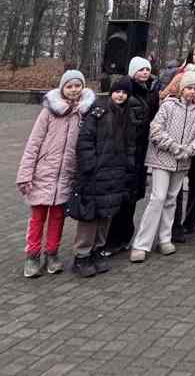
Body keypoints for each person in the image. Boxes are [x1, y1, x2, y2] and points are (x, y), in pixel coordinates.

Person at [16, 69, 95, 277]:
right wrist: (25, 174)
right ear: (62, 88)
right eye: (69, 86)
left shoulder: (84, 113)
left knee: (58, 218)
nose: (73, 90)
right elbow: (33, 144)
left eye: (77, 85)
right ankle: (32, 256)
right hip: (43, 173)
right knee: (37, 218)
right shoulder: (48, 112)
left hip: (66, 175)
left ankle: (52, 253)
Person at [130, 69, 195, 262]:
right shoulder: (168, 106)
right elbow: (155, 130)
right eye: (189, 87)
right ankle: (142, 244)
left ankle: (165, 239)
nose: (192, 91)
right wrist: (173, 146)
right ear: (182, 88)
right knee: (158, 199)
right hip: (162, 160)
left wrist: (190, 150)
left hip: (182, 162)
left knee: (171, 200)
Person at [67, 77, 136, 277]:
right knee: (90, 216)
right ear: (111, 92)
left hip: (115, 174)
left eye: (124, 93)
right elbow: (85, 140)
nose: (120, 95)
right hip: (96, 173)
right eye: (117, 91)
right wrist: (90, 166)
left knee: (106, 215)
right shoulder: (98, 111)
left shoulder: (127, 115)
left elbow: (130, 145)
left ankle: (97, 250)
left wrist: (128, 168)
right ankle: (82, 255)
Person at [102, 55, 159, 254]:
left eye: (147, 69)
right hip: (129, 154)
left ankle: (123, 237)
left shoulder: (147, 91)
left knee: (130, 199)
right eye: (141, 69)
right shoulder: (129, 92)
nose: (145, 73)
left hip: (139, 154)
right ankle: (114, 239)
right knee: (123, 199)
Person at [160, 42, 195, 239]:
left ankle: (190, 221)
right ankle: (174, 224)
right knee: (176, 184)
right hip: (179, 135)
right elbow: (165, 96)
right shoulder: (180, 75)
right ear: (191, 56)